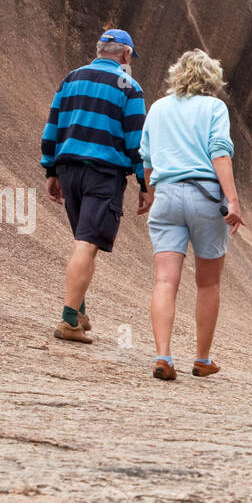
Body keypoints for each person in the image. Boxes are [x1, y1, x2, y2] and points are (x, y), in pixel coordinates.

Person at [138, 50, 245, 380]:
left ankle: (163, 357)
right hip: (204, 195)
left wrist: (152, 196)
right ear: (212, 78)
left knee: (165, 280)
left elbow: (147, 159)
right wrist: (233, 200)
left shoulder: (157, 108)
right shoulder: (214, 108)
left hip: (167, 195)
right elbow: (219, 153)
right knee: (208, 282)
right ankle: (201, 359)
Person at [40, 27, 153, 343]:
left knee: (82, 240)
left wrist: (51, 170)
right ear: (126, 55)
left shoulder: (71, 79)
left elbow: (53, 126)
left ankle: (78, 311)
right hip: (103, 175)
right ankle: (68, 322)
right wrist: (144, 184)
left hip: (68, 169)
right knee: (87, 243)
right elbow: (136, 141)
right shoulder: (129, 87)